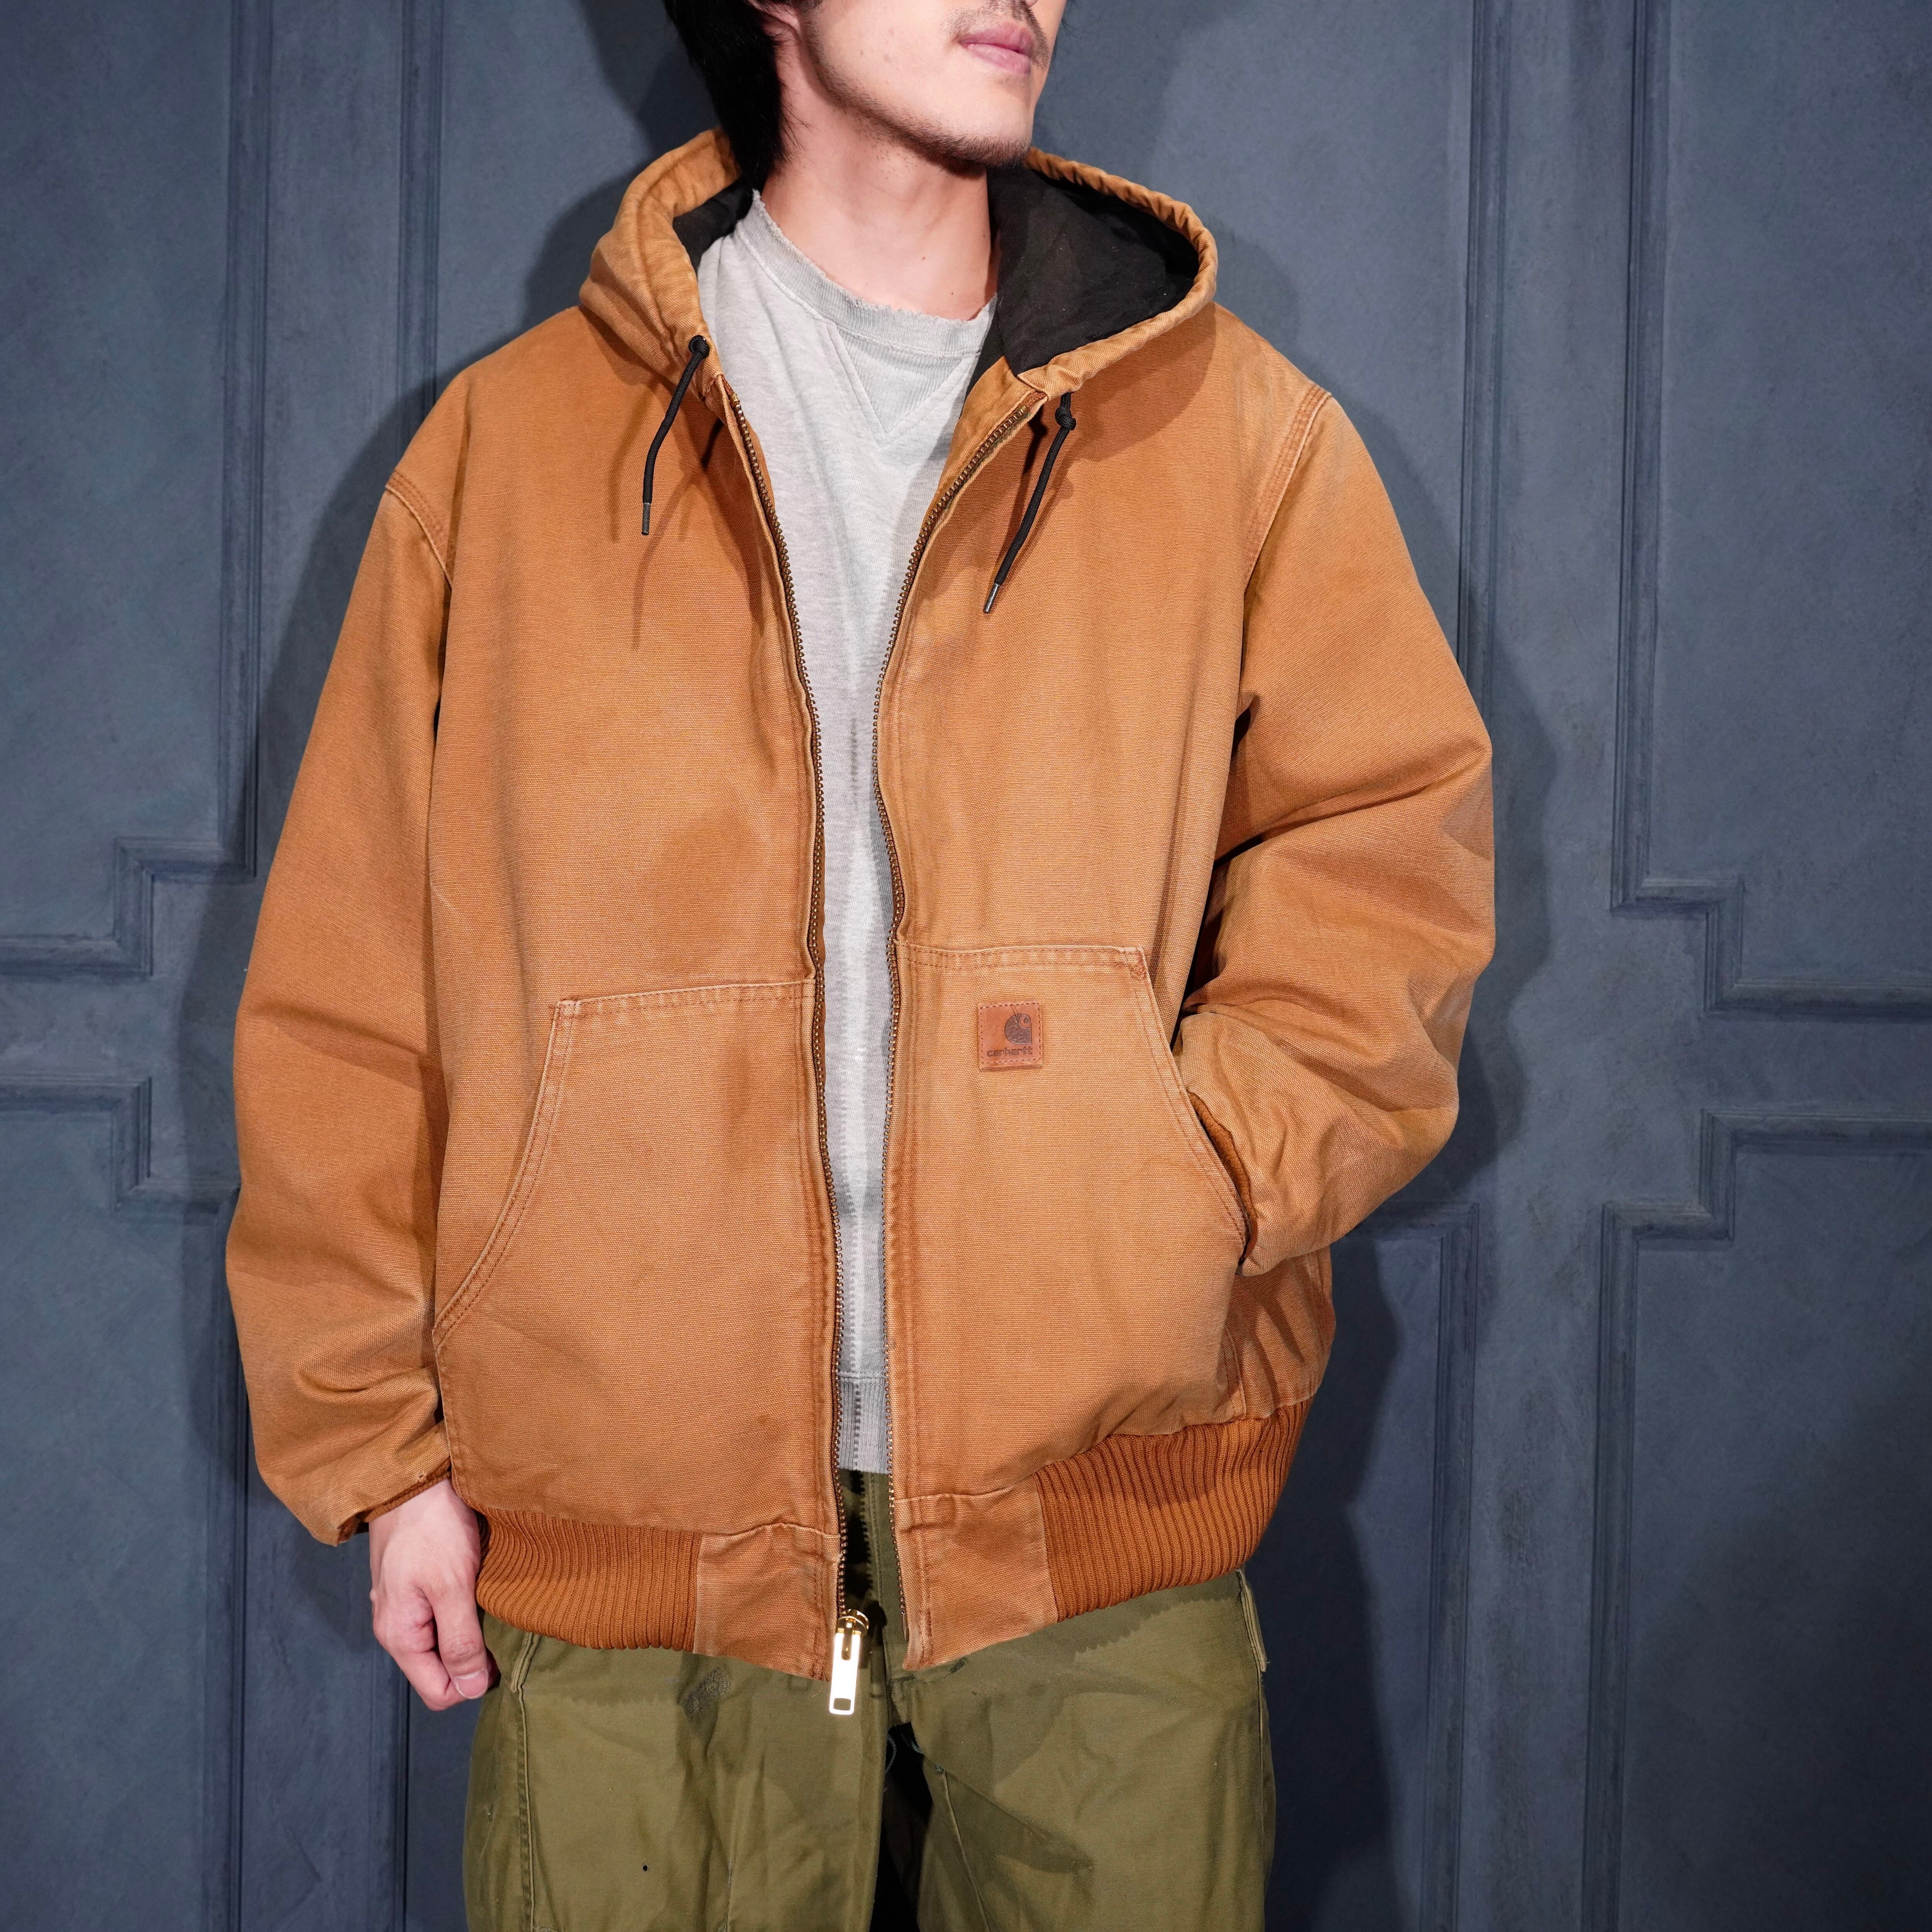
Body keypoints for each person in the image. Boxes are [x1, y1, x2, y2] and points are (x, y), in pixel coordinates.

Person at [225, 0, 1495, 1923]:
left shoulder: (1231, 432)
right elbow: (348, 989)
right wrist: (381, 1451)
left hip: (1103, 1540)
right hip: (632, 1557)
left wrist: (1182, 1178)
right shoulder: (507, 451)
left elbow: (1387, 863)